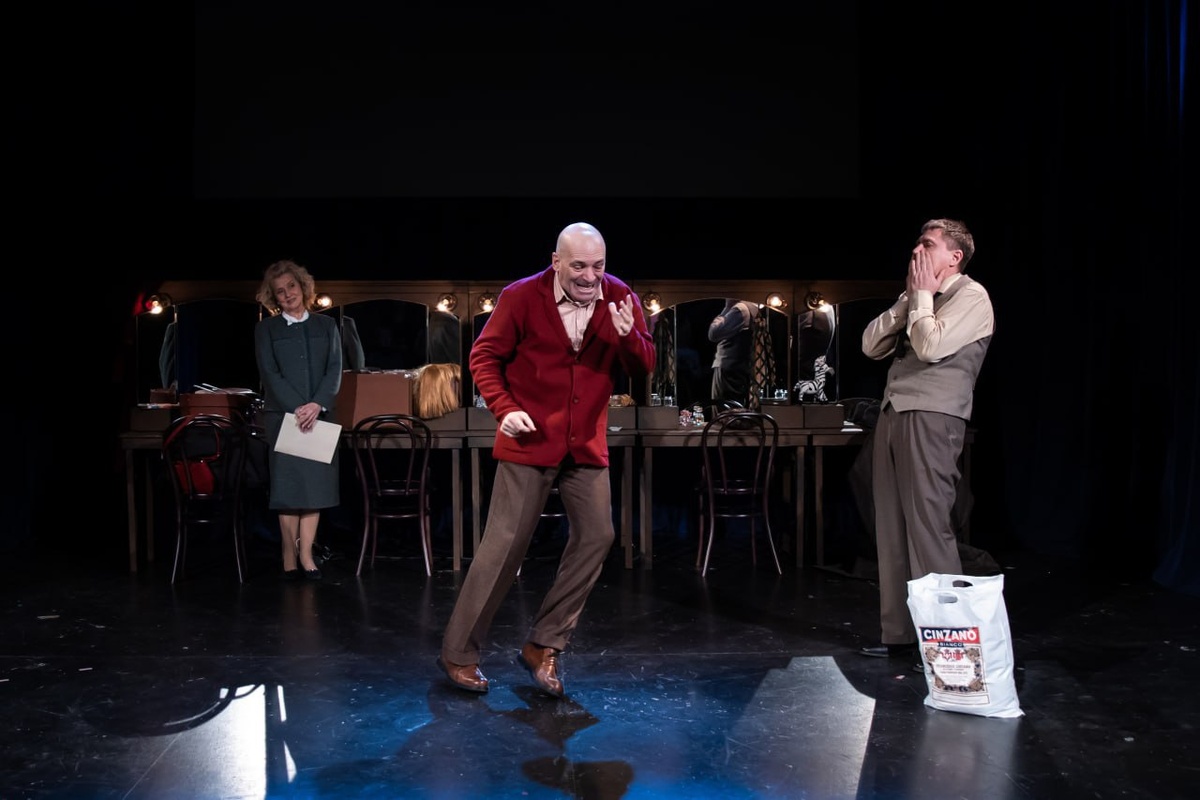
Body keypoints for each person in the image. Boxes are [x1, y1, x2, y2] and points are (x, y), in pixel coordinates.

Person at [438, 221, 655, 697]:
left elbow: (643, 366)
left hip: (585, 443)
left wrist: (628, 338)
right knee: (505, 545)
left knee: (598, 535)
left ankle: (544, 644)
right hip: (530, 438)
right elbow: (483, 358)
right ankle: (458, 652)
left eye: (598, 266)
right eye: (579, 266)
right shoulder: (520, 296)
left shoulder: (621, 297)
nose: (590, 276)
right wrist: (504, 408)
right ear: (556, 262)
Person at [858, 218, 995, 663]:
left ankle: (946, 646)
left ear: (954, 257)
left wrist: (920, 298)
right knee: (892, 529)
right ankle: (899, 636)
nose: (917, 251)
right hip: (894, 412)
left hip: (934, 417)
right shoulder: (916, 296)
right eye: (917, 243)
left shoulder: (972, 296)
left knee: (929, 529)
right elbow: (870, 345)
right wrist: (909, 301)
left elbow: (931, 346)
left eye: (928, 244)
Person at [254, 259, 344, 581]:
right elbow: (270, 374)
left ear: (303, 286)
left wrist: (317, 404)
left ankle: (306, 555)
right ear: (273, 297)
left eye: (291, 286)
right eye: (280, 291)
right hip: (284, 419)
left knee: (313, 491)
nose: (288, 294)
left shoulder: (327, 326)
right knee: (289, 491)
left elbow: (334, 369)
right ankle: (288, 557)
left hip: (319, 417)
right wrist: (298, 408)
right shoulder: (266, 329)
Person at [707, 298, 755, 406]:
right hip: (738, 366)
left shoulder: (740, 309)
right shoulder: (751, 307)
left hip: (728, 366)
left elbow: (713, 333)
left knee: (724, 406)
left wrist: (727, 307)